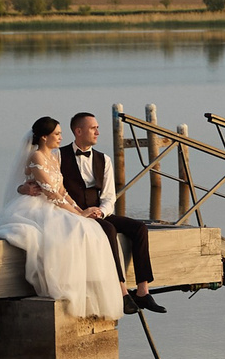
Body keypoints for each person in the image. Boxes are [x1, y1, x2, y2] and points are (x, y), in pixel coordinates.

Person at [0, 116, 124, 320]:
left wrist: (78, 210)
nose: (60, 137)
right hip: (38, 206)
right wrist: (78, 214)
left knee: (88, 227)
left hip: (57, 204)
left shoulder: (54, 157)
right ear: (43, 137)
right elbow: (50, 194)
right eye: (56, 134)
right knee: (75, 228)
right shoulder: (36, 157)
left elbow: (63, 191)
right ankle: (65, 282)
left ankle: (89, 281)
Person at [61, 111, 162, 315]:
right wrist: (82, 213)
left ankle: (143, 291)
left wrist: (101, 212)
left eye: (98, 127)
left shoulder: (104, 159)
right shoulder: (59, 156)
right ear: (78, 131)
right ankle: (122, 291)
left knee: (139, 228)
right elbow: (58, 192)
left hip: (99, 212)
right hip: (74, 214)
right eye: (93, 128)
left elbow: (109, 196)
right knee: (108, 230)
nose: (98, 132)